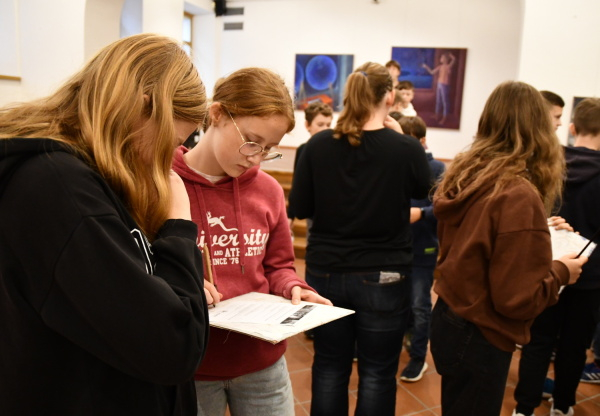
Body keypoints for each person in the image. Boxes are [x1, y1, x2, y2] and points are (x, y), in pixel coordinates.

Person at [0, 34, 210, 415]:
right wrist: (179, 226)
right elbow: (174, 346)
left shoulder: (90, 175)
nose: (170, 160)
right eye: (171, 141)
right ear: (142, 105)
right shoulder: (59, 187)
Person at [171, 67, 332, 416]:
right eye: (251, 141)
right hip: (193, 365)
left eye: (268, 148)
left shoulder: (268, 190)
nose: (256, 158)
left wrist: (293, 286)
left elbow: (279, 265)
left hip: (262, 363)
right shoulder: (164, 184)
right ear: (217, 114)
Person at [430, 81, 587, 416]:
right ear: (536, 128)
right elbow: (516, 298)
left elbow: (477, 242)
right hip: (481, 331)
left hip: (450, 317)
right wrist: (562, 271)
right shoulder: (517, 193)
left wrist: (539, 230)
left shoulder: (468, 173)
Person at [289, 62, 432, 416]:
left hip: (326, 271)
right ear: (389, 97)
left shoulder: (318, 145)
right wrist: (400, 135)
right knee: (378, 373)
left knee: (329, 365)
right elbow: (423, 190)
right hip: (385, 273)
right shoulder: (405, 148)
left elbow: (301, 208)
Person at [513, 97, 600, 416]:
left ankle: (524, 407)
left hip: (547, 266)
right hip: (591, 275)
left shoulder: (546, 163)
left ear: (573, 128)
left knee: (538, 340)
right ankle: (562, 405)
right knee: (575, 346)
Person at [396, 116, 445, 383]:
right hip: (398, 247)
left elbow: (445, 205)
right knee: (400, 302)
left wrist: (422, 213)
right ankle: (405, 341)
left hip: (423, 247)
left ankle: (418, 357)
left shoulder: (437, 168)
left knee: (419, 305)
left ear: (422, 141)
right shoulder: (396, 163)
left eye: (409, 140)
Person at [421, 52, 456, 125]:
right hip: (439, 84)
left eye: (442, 57)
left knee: (445, 102)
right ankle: (437, 115)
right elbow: (432, 72)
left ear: (446, 59)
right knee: (438, 101)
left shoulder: (448, 66)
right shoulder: (440, 66)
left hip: (445, 85)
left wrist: (450, 55)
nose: (441, 58)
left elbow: (454, 59)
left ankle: (444, 117)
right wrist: (426, 67)